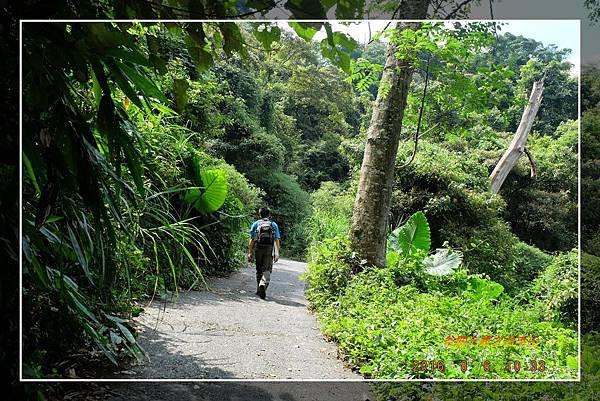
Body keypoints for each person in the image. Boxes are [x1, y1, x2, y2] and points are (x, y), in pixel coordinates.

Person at [247, 207, 281, 299]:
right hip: (269, 248)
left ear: (260, 214)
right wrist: (277, 252)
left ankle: (259, 289)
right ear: (269, 215)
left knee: (259, 269)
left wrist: (250, 252)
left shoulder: (256, 224)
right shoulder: (273, 225)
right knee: (267, 269)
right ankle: (263, 284)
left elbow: (252, 239)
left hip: (258, 248)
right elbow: (277, 239)